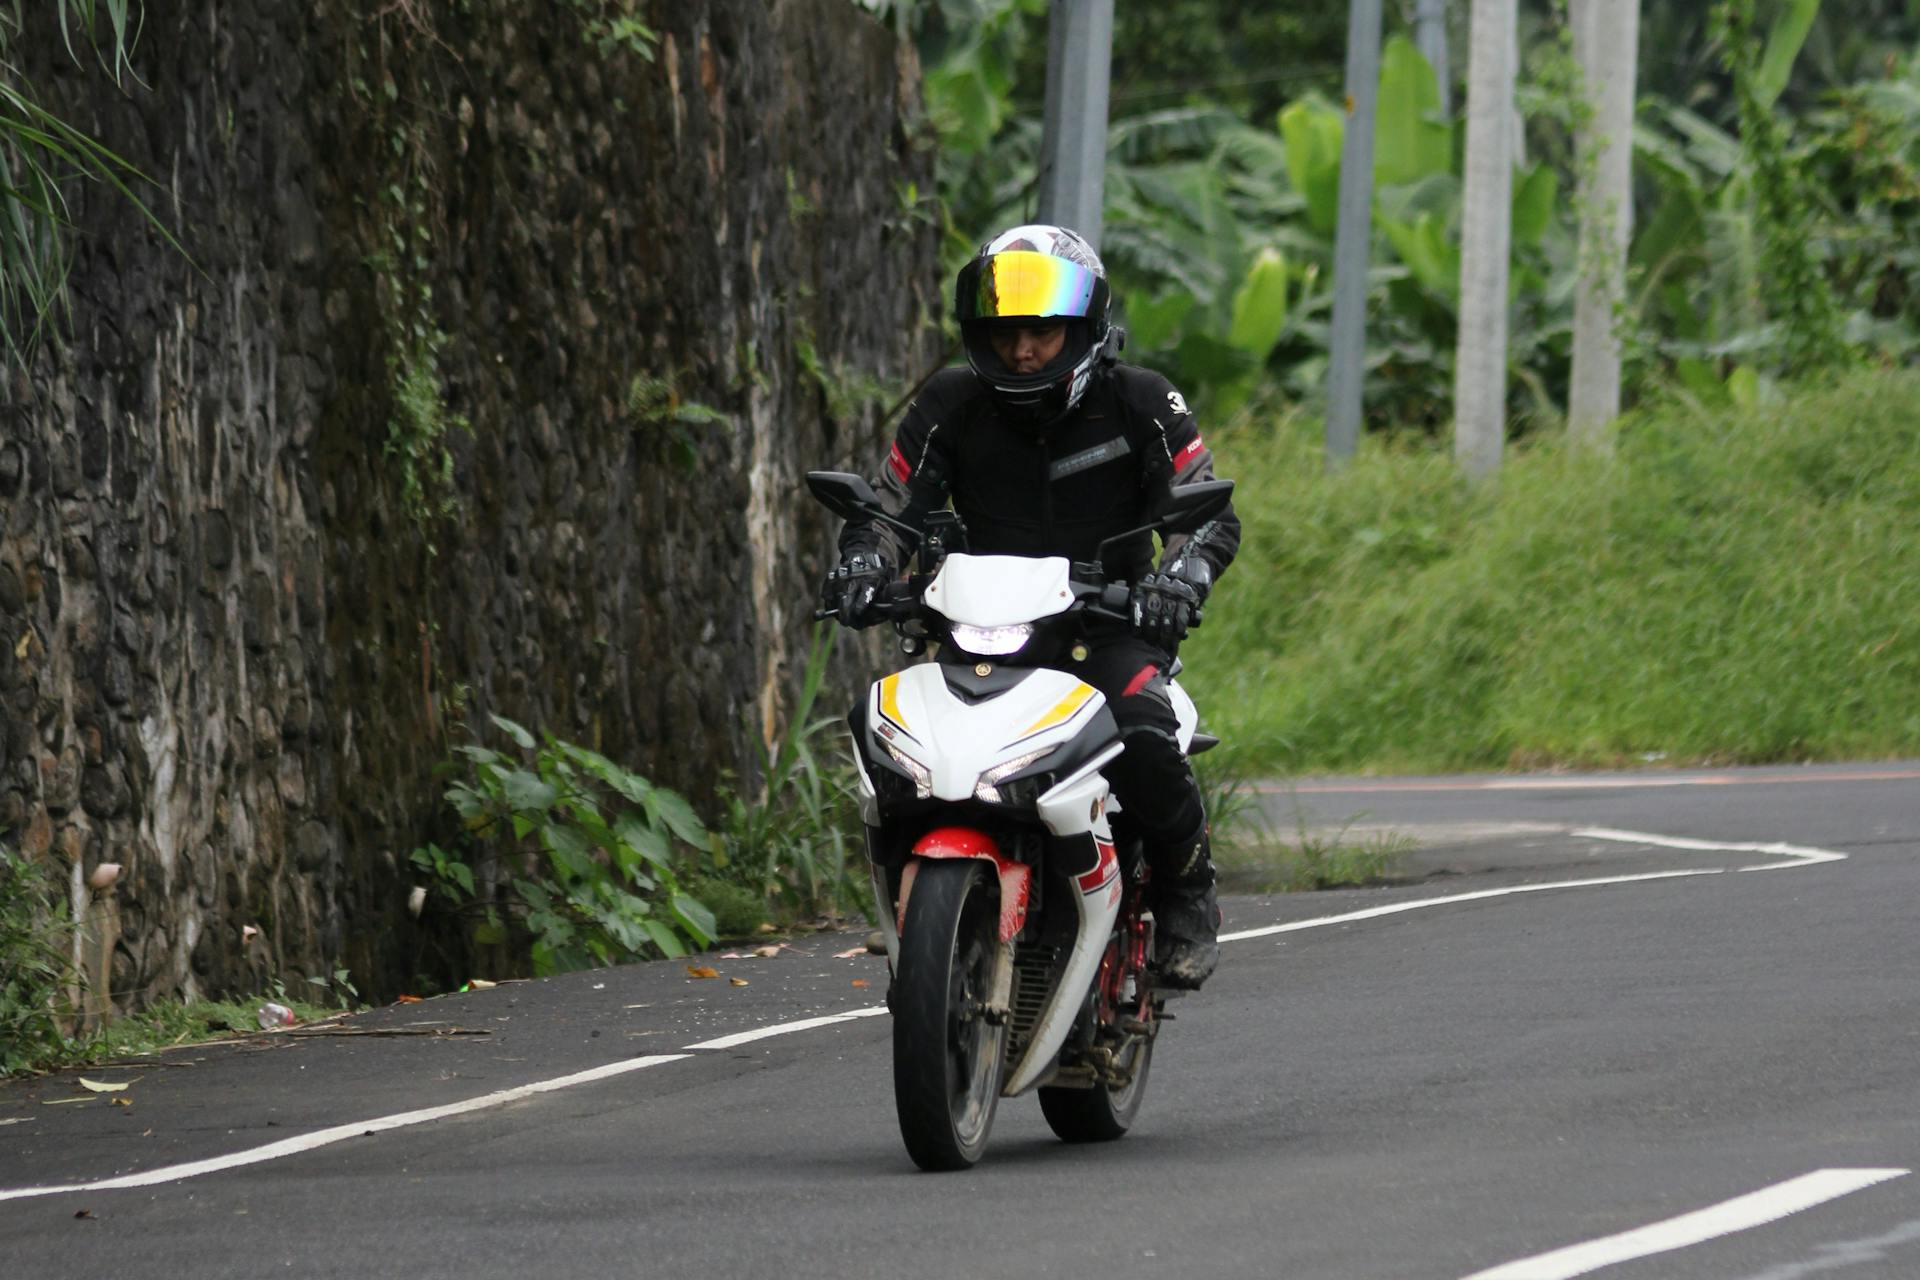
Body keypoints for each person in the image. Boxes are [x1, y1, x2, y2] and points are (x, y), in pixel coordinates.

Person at [822, 224, 1241, 989]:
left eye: (1042, 332)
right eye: (1006, 332)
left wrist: (1178, 577)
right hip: (976, 625)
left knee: (1144, 730)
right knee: (890, 737)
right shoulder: (950, 402)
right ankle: (916, 911)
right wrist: (862, 562)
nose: (1023, 352)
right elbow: (890, 506)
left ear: (1081, 329)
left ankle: (1189, 890)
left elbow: (1206, 508)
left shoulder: (1142, 401)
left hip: (1109, 627)